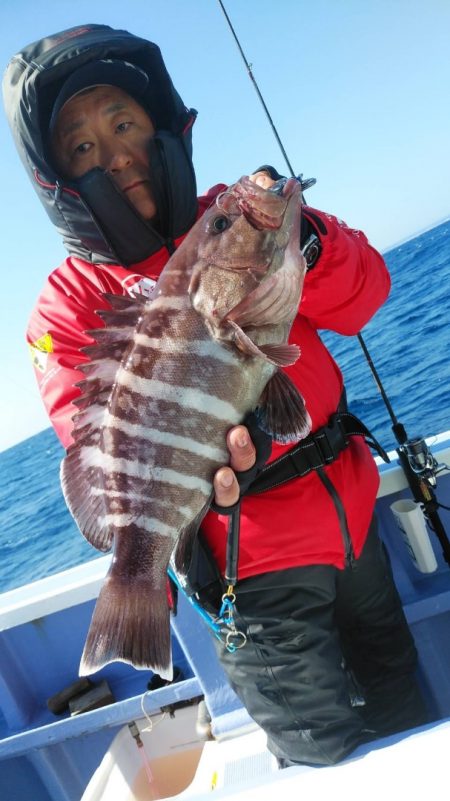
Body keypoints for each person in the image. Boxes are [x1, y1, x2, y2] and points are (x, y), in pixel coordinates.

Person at [3, 23, 428, 767]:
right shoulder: (69, 306)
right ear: (58, 179)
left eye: (124, 124)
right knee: (331, 761)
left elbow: (366, 297)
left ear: (163, 126)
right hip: (253, 581)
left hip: (355, 525)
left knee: (408, 707)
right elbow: (100, 440)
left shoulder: (227, 222)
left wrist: (309, 240)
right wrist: (213, 468)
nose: (114, 153)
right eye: (82, 147)